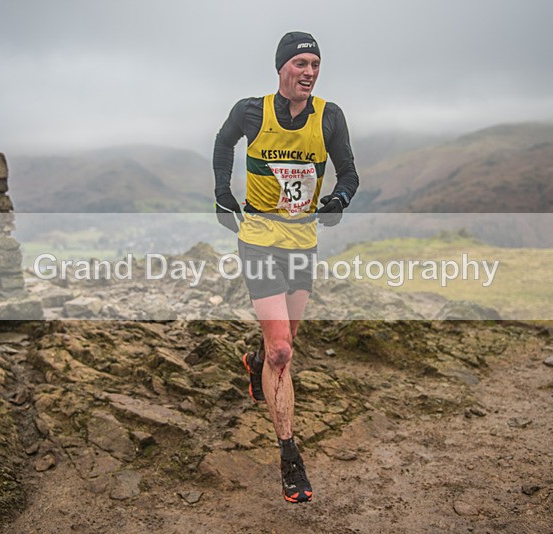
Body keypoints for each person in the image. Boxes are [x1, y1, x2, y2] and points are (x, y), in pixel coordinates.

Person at [212, 31, 359, 504]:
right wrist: (222, 193)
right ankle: (289, 456)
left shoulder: (329, 117)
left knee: (284, 342)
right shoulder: (251, 111)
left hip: (302, 244)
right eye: (301, 63)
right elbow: (223, 142)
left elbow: (349, 173)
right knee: (282, 352)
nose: (310, 72)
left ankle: (254, 363)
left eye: (316, 64)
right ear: (281, 69)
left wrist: (339, 198)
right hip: (257, 240)